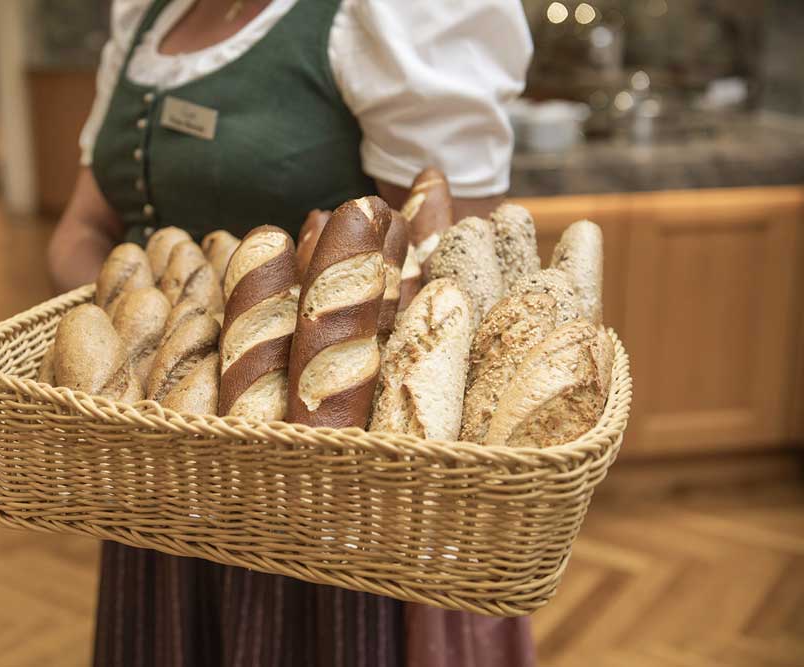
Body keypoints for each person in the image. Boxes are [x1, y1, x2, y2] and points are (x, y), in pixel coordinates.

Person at [47, 1, 534, 665]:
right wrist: (127, 340)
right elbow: (81, 227)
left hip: (324, 505)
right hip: (159, 464)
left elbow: (451, 277)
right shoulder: (149, 14)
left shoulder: (394, 15)